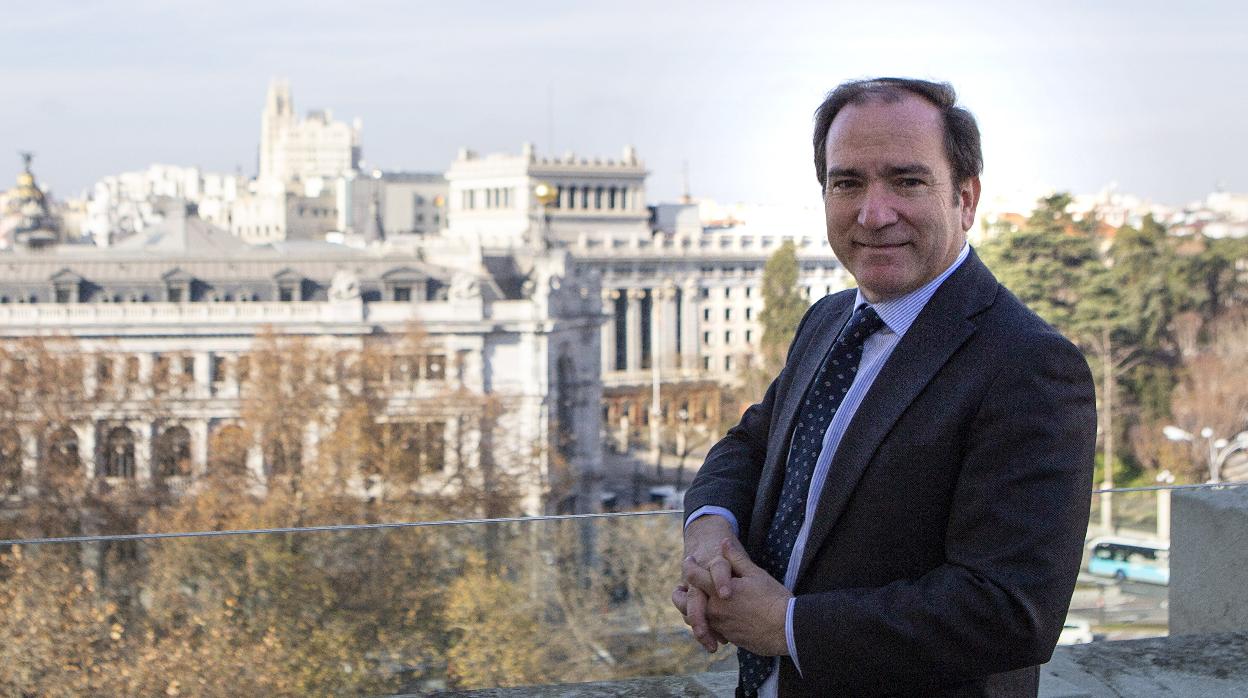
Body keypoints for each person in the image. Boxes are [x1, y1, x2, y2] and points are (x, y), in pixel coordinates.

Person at [671, 78, 1097, 697]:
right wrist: (711, 528)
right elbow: (751, 445)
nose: (874, 213)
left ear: (966, 198)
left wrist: (789, 627)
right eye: (847, 183)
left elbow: (1011, 611)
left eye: (907, 181)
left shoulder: (1029, 364)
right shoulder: (830, 319)